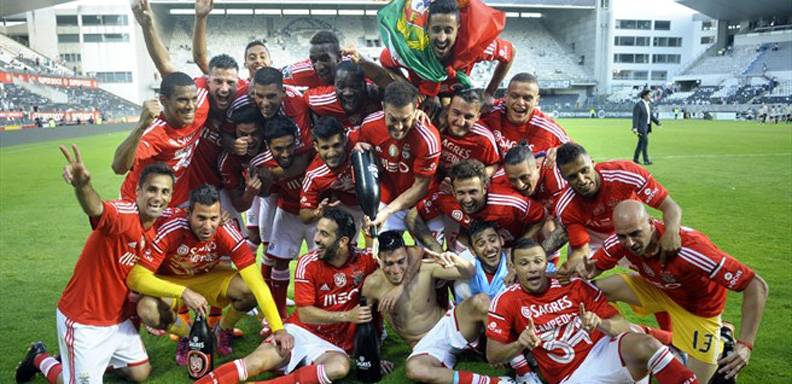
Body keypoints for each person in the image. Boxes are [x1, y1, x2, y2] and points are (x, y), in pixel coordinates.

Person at [16, 148, 176, 384]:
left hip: (117, 322)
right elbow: (96, 208)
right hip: (84, 320)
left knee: (140, 373)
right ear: (138, 191)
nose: (158, 197)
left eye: (165, 192)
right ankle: (41, 358)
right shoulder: (125, 215)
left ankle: (92, 362)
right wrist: (83, 186)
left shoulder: (153, 231)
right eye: (152, 189)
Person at [576, 200, 769, 382]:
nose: (630, 243)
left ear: (651, 223)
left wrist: (745, 344)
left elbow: (755, 285)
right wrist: (589, 270)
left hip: (698, 310)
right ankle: (608, 342)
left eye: (636, 233)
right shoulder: (619, 243)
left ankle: (723, 338)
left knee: (691, 381)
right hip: (657, 288)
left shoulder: (692, 249)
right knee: (592, 291)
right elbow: (593, 268)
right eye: (622, 236)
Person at [194, 208, 379, 384]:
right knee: (256, 363)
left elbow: (385, 266)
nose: (316, 239)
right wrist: (346, 316)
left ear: (343, 241)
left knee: (339, 367)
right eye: (317, 232)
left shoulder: (364, 262)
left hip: (333, 348)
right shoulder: (309, 263)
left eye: (324, 234)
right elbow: (305, 313)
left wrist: (375, 356)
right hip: (300, 332)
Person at [485, 239, 700, 384]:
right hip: (571, 377)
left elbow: (622, 326)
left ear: (546, 263)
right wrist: (520, 344)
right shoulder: (506, 300)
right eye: (524, 263)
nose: (532, 268)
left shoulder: (573, 285)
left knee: (647, 344)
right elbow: (493, 355)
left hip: (604, 351)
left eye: (538, 261)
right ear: (513, 267)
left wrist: (600, 323)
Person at [126, 185, 292, 361]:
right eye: (201, 218)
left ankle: (222, 330)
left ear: (221, 215)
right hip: (171, 280)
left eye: (214, 218)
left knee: (249, 291)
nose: (208, 226)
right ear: (188, 214)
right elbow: (136, 278)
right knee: (147, 309)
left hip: (208, 277)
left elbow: (258, 283)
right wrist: (184, 292)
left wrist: (278, 329)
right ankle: (189, 337)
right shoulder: (172, 228)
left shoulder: (226, 230)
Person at [362, 231, 522, 384]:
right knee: (415, 369)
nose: (396, 270)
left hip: (448, 325)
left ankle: (522, 368)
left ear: (407, 255)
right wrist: (373, 357)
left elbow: (469, 272)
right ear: (379, 260)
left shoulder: (424, 268)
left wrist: (453, 258)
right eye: (389, 264)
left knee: (482, 301)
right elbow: (364, 324)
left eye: (401, 261)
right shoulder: (372, 284)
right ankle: (496, 382)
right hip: (424, 345)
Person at [554, 142, 682, 271]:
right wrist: (570, 267)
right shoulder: (566, 206)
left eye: (584, 170)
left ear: (593, 163)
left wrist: (672, 232)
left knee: (662, 266)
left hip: (629, 230)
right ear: (564, 178)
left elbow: (669, 206)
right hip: (594, 236)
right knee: (578, 273)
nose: (582, 180)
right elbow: (581, 248)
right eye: (573, 176)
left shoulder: (626, 173)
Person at [350, 81, 442, 234]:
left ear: (415, 110)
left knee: (432, 256)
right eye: (393, 119)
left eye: (405, 119)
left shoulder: (428, 138)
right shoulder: (369, 126)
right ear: (383, 107)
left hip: (422, 204)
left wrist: (387, 211)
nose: (399, 127)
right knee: (381, 252)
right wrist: (361, 151)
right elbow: (365, 159)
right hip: (387, 198)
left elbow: (421, 186)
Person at [375, 0, 514, 99]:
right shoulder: (412, 51)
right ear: (427, 28)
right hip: (423, 105)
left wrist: (489, 93)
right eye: (436, 30)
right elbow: (385, 60)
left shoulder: (473, 47)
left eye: (448, 30)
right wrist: (410, 88)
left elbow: (510, 52)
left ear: (458, 28)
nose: (441, 38)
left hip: (458, 105)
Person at [112, 72, 209, 207]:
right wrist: (141, 126)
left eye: (194, 99)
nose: (191, 106)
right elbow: (118, 167)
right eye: (182, 100)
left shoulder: (199, 110)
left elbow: (207, 72)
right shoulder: (155, 133)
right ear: (163, 100)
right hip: (139, 203)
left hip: (175, 202)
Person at [251, 115, 315, 318]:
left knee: (323, 261)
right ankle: (277, 316)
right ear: (267, 145)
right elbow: (264, 193)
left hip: (317, 213)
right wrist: (266, 180)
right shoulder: (259, 163)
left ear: (296, 140)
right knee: (279, 259)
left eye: (289, 146)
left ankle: (321, 312)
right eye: (278, 149)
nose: (286, 153)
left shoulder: (310, 150)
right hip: (287, 210)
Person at [408, 159, 545, 253]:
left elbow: (541, 215)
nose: (467, 200)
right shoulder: (445, 198)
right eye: (461, 193)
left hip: (508, 250)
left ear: (485, 188)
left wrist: (519, 248)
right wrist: (437, 249)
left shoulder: (510, 201)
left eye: (473, 192)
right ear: (453, 190)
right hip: (476, 248)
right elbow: (412, 216)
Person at [300, 116, 365, 238]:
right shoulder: (314, 175)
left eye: (336, 145)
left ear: (345, 140)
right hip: (348, 207)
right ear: (315, 146)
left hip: (380, 199)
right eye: (325, 147)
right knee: (341, 249)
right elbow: (304, 215)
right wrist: (319, 212)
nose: (332, 153)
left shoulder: (359, 136)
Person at [480, 73, 570, 157]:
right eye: (514, 96)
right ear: (506, 96)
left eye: (527, 98)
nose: (520, 103)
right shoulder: (488, 111)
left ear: (537, 101)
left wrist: (557, 151)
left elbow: (574, 153)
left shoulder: (548, 129)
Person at [438, 88, 501, 178]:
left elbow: (495, 166)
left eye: (468, 117)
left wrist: (469, 180)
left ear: (477, 117)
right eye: (456, 113)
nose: (460, 122)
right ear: (448, 109)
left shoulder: (484, 140)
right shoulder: (435, 120)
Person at [303, 61, 381, 129]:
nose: (348, 93)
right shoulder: (322, 99)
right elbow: (306, 96)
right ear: (334, 86)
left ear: (364, 85)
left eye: (354, 86)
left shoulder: (374, 93)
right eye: (341, 87)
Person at [632, 89, 660, 165]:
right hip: (640, 127)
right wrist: (634, 128)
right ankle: (646, 160)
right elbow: (635, 117)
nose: (650, 96)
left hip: (647, 127)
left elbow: (650, 115)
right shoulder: (639, 105)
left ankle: (635, 159)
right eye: (649, 95)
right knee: (645, 142)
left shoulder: (648, 104)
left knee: (640, 144)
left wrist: (657, 122)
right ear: (645, 96)